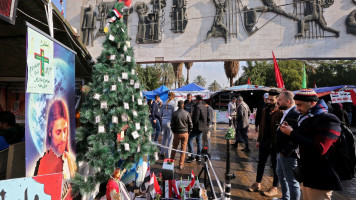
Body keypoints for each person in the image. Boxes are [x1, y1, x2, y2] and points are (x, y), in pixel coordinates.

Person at [280, 89, 342, 200]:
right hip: (307, 174)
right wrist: (291, 130)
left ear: (312, 103)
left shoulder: (329, 119)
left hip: (321, 178)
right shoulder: (307, 117)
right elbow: (305, 138)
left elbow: (320, 148)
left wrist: (292, 133)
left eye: (300, 105)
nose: (297, 109)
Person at [34, 100, 77, 199]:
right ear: (50, 132)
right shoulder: (42, 163)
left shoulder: (71, 160)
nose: (63, 138)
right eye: (58, 132)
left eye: (65, 131)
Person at [248, 89, 282, 197]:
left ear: (277, 100)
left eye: (272, 100)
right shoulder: (264, 110)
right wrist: (259, 139)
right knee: (261, 163)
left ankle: (274, 187)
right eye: (268, 99)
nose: (269, 101)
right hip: (264, 142)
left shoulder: (280, 112)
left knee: (276, 166)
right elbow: (262, 126)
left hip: (275, 144)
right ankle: (258, 183)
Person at [275, 91, 301, 200]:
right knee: (280, 175)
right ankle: (285, 197)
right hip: (282, 152)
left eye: (280, 99)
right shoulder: (286, 112)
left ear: (288, 101)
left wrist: (286, 151)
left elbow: (295, 137)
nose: (277, 101)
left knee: (292, 180)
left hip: (288, 154)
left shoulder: (294, 114)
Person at [186, 95, 210, 163]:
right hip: (202, 127)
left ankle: (192, 156)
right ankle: (198, 156)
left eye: (195, 99)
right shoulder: (204, 106)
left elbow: (195, 118)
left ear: (197, 99)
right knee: (199, 141)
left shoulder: (197, 106)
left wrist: (191, 126)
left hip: (197, 127)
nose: (195, 100)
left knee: (190, 139)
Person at [170, 100, 193, 170]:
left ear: (178, 105)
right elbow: (191, 125)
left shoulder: (174, 113)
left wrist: (174, 131)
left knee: (174, 148)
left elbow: (172, 125)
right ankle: (181, 164)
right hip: (185, 133)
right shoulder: (187, 113)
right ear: (183, 105)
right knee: (183, 149)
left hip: (177, 133)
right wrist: (188, 132)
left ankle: (171, 162)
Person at [160, 92, 178, 159]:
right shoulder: (174, 104)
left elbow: (160, 113)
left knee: (164, 138)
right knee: (170, 139)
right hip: (170, 122)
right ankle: (168, 155)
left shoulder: (163, 103)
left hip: (163, 121)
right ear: (173, 97)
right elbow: (175, 114)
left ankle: (162, 152)